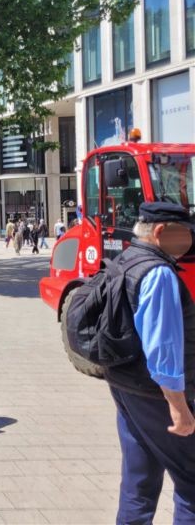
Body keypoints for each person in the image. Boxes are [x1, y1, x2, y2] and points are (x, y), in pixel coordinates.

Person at [103, 202, 195, 524]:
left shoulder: (126, 259)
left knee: (138, 483)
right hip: (156, 394)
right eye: (185, 234)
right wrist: (179, 408)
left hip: (126, 386)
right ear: (160, 232)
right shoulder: (159, 273)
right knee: (191, 481)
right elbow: (163, 349)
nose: (188, 242)